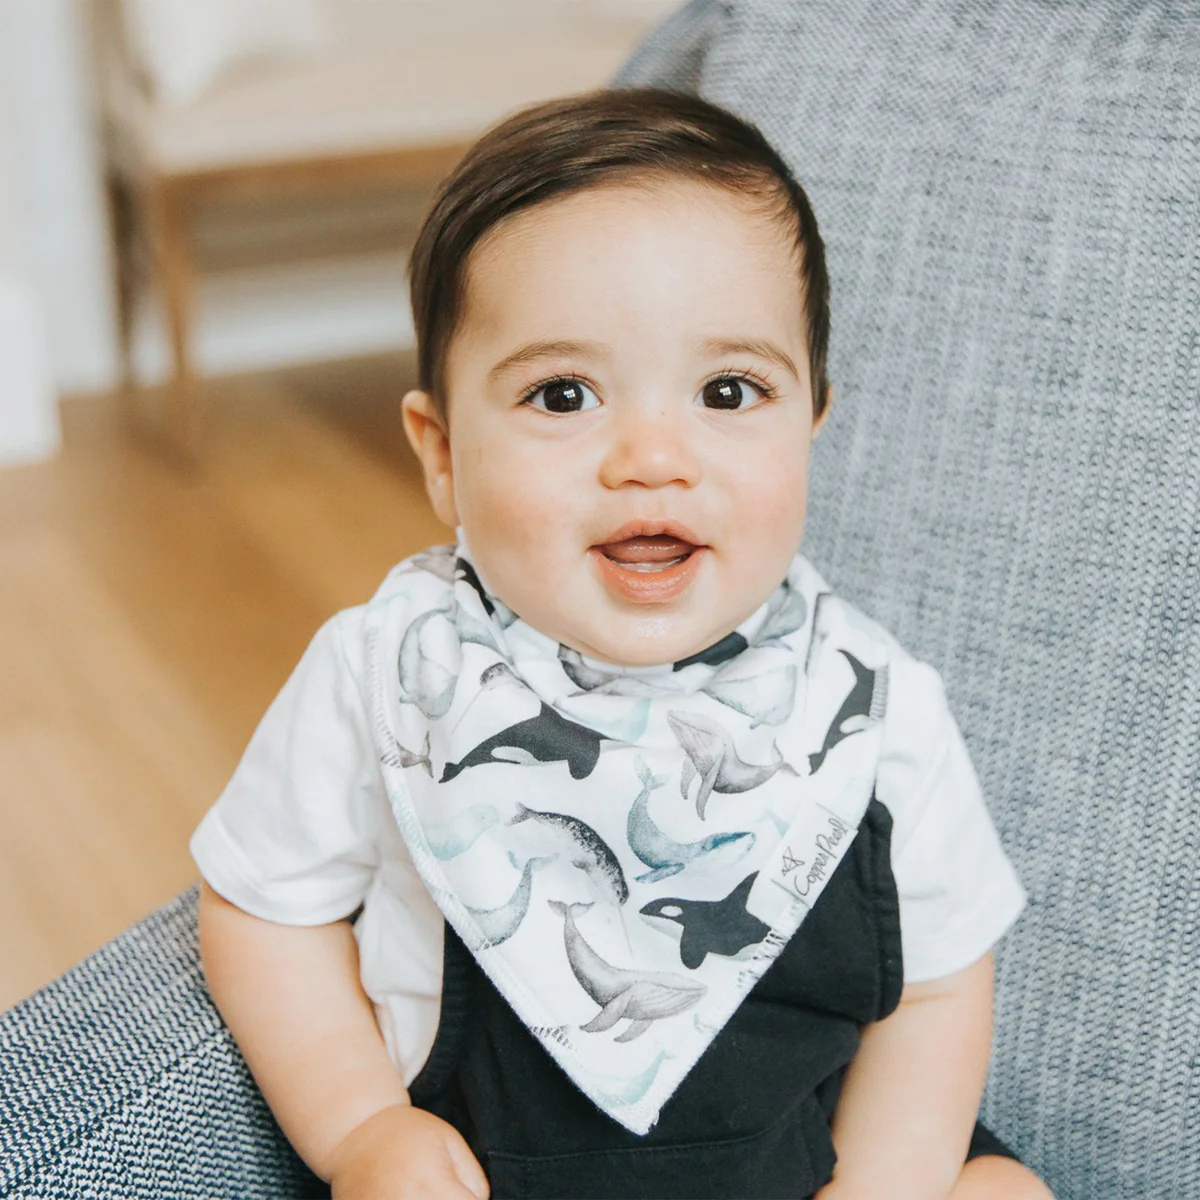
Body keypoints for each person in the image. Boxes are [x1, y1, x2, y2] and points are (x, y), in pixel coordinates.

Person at [192, 90, 1052, 1200]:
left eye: (728, 391)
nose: (652, 457)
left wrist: (885, 1186)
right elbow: (263, 910)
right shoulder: (389, 674)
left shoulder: (873, 706)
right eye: (564, 395)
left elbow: (936, 987)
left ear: (812, 427)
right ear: (442, 453)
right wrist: (359, 1127)